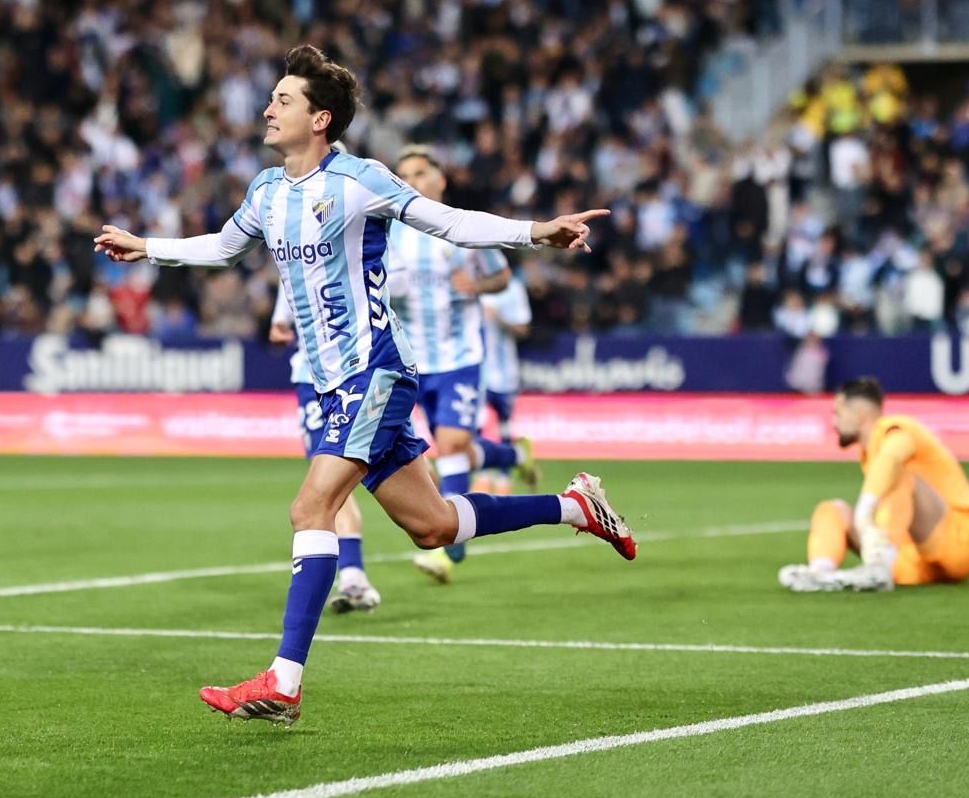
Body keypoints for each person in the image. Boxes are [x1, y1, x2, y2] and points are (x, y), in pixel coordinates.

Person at [95, 45, 635, 726]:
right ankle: (575, 507)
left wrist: (534, 233)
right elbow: (223, 247)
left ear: (320, 118)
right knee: (433, 526)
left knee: (310, 508)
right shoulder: (266, 191)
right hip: (334, 383)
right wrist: (148, 246)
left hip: (375, 369)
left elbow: (449, 221)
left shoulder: (359, 179)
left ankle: (284, 682)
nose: (267, 109)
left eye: (283, 100)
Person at [389, 145, 539, 584]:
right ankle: (515, 454)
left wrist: (475, 285)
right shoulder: (389, 232)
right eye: (404, 175)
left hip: (460, 357)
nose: (411, 182)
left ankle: (448, 547)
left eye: (420, 172)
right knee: (448, 452)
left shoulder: (462, 226)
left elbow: (502, 276)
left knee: (451, 446)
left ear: (441, 180)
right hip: (409, 360)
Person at [778, 377, 969, 592]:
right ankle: (819, 574)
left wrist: (864, 510)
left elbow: (894, 455)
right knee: (832, 511)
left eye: (838, 413)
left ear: (858, 414)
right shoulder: (868, 453)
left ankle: (879, 568)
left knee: (898, 475)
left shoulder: (895, 428)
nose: (834, 422)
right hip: (912, 558)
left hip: (960, 542)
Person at [270, 294, 381, 614]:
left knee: (407, 476)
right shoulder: (291, 261)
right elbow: (288, 285)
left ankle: (448, 495)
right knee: (327, 483)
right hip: (311, 380)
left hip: (362, 376)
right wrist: (281, 320)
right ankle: (353, 577)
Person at [479, 273, 534, 489]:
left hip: (504, 372)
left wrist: (499, 318)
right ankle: (483, 475)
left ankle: (505, 476)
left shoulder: (513, 288)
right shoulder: (469, 282)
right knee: (477, 423)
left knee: (504, 424)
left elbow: (523, 329)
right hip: (476, 370)